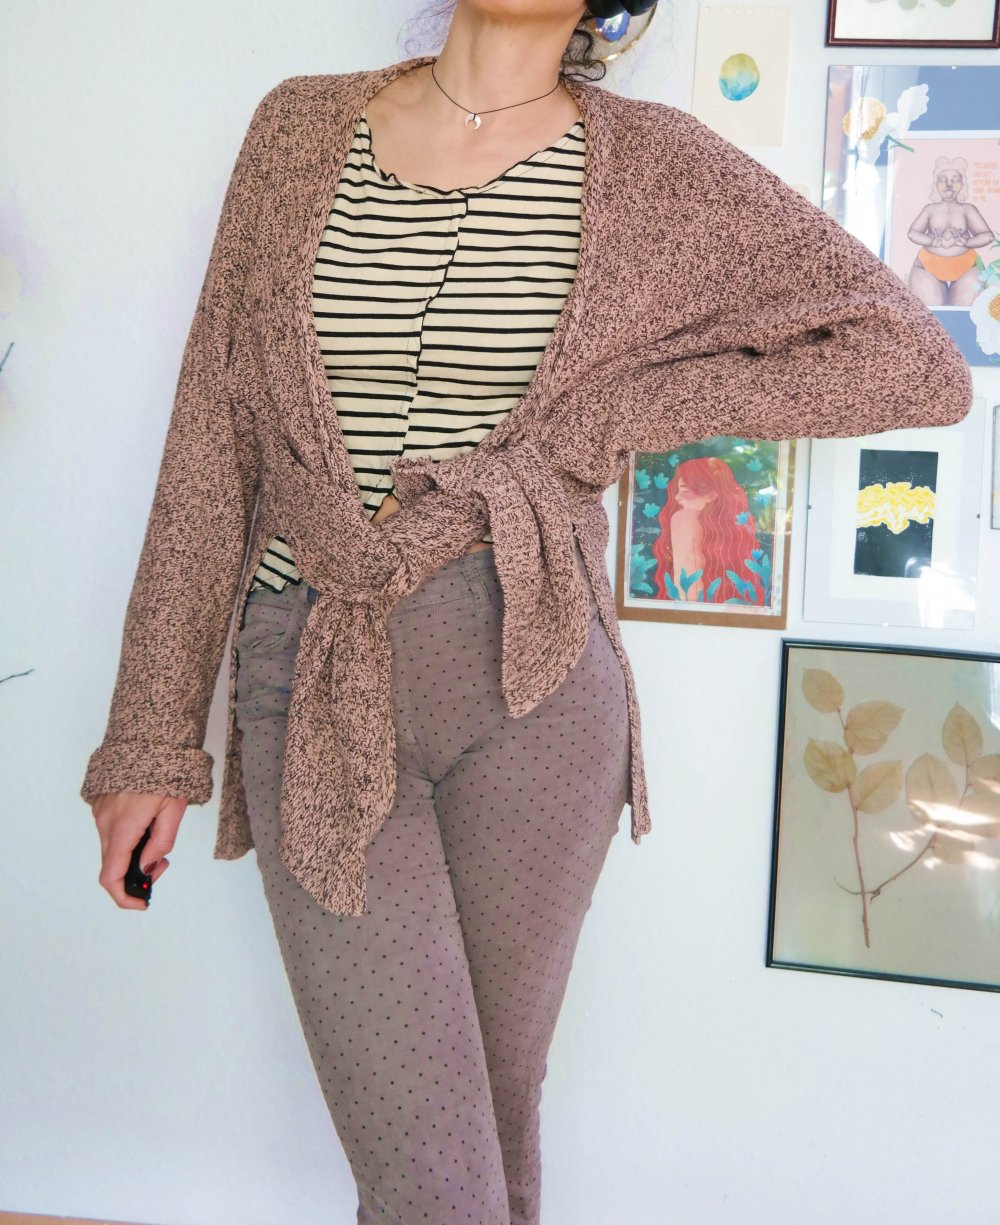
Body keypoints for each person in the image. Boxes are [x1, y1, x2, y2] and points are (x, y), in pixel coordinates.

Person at [81, 1, 973, 1221]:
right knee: (431, 1175)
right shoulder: (296, 128)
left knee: (486, 1143)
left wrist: (618, 412)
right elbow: (213, 439)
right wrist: (151, 738)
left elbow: (912, 360)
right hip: (315, 664)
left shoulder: (652, 164)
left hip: (535, 683)